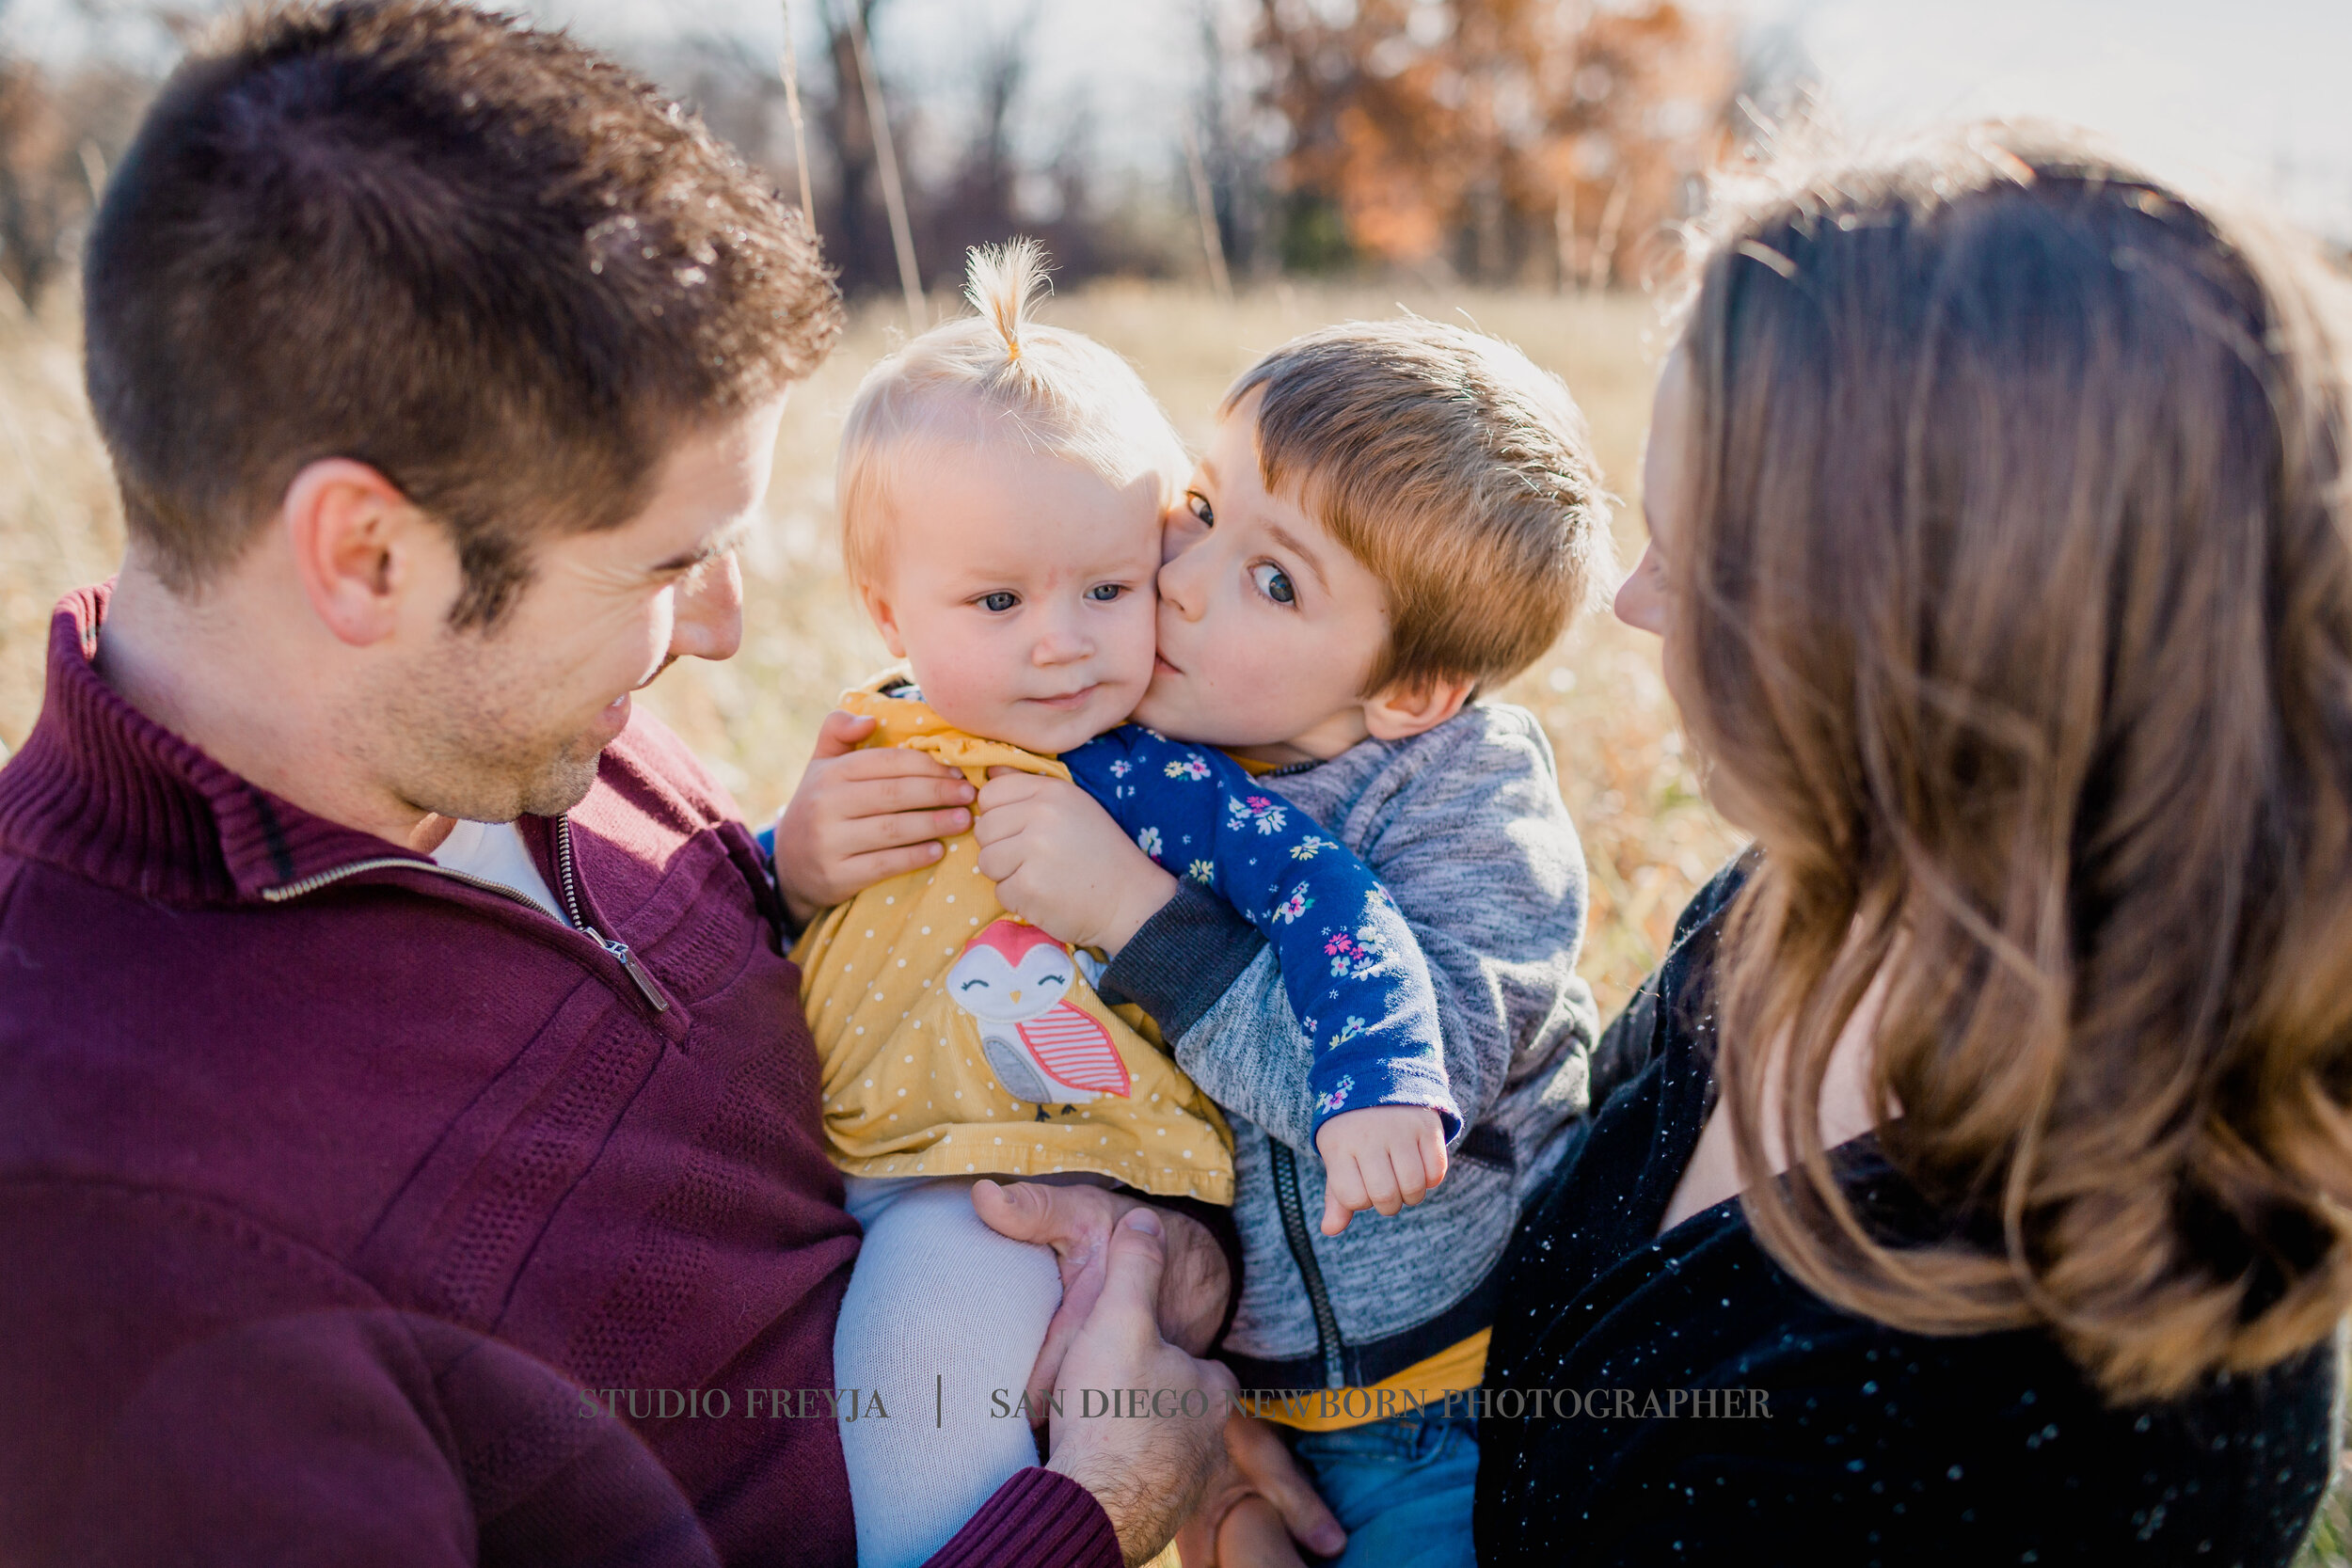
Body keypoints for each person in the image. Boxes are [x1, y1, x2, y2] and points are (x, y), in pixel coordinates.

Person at [0, 5, 1311, 1563]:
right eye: (668, 562)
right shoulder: (107, 1232)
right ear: (367, 555)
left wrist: (1125, 1262)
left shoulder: (526, 729)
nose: (726, 629)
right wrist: (1084, 1513)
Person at [1475, 130, 2352, 1565]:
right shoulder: (1794, 906)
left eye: (1690, 555)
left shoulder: (2076, 1403)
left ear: (1923, 643)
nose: (1632, 606)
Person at [787, 315, 1613, 1567]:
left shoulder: (1467, 808)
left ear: (1409, 690)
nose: (1178, 576)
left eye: (1271, 579)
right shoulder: (1139, 739)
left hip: (1457, 1394)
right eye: (1201, 506)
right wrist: (803, 857)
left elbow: (1394, 1106)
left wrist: (1133, 917)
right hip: (1245, 1391)